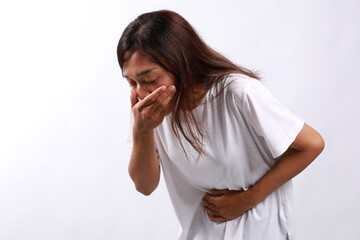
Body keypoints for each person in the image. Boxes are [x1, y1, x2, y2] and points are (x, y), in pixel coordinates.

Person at [117, 10, 325, 240]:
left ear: (180, 62)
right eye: (131, 82)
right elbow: (144, 186)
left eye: (150, 80)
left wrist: (247, 199)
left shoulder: (237, 92)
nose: (142, 91)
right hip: (202, 230)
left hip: (260, 228)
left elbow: (312, 144)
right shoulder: (146, 111)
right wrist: (143, 131)